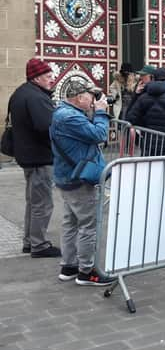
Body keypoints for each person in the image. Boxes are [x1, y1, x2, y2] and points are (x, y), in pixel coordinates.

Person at [50, 79, 116, 285]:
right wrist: (102, 112)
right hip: (78, 179)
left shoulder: (64, 112)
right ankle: (87, 272)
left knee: (71, 222)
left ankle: (69, 266)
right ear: (79, 98)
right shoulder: (70, 117)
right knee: (88, 225)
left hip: (67, 176)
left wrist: (95, 110)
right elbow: (99, 134)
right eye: (91, 96)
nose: (93, 100)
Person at [8, 58, 61, 257]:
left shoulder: (21, 92)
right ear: (37, 78)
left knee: (33, 201)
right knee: (42, 203)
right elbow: (46, 127)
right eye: (48, 76)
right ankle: (39, 245)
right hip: (39, 157)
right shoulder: (36, 97)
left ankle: (30, 242)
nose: (52, 80)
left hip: (27, 156)